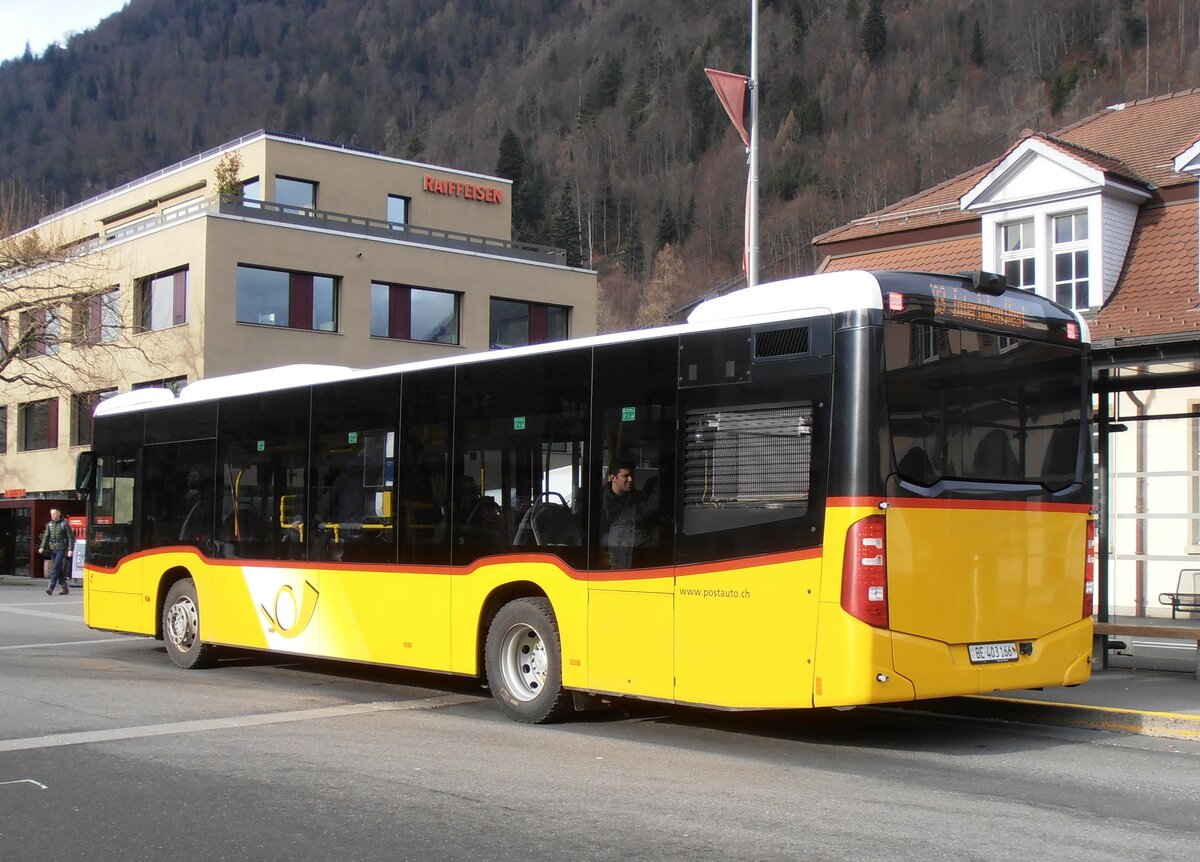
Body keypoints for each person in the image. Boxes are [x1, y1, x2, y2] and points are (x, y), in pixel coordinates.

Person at [599, 462, 643, 569]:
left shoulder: (638, 498)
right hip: (607, 556)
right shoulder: (599, 500)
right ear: (613, 477)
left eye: (632, 476)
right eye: (626, 476)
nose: (630, 480)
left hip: (631, 555)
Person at [39, 509, 74, 596]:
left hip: (62, 548)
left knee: (55, 567)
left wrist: (70, 549)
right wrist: (42, 547)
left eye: (54, 513)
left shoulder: (64, 523)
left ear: (59, 513)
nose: (53, 515)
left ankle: (51, 587)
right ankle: (64, 587)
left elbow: (70, 537)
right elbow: (46, 536)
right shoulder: (50, 524)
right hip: (53, 548)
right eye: (51, 514)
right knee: (58, 568)